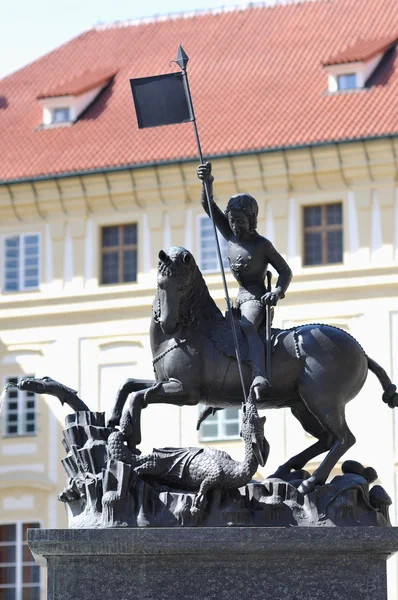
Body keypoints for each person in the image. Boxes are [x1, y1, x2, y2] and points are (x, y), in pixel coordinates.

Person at [197, 162, 292, 398]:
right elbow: (208, 206)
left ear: (252, 221)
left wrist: (277, 292)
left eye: (241, 222)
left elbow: (285, 271)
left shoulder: (261, 245)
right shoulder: (229, 235)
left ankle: (260, 374)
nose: (235, 226)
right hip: (238, 298)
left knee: (248, 327)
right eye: (232, 221)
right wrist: (206, 182)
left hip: (256, 298)